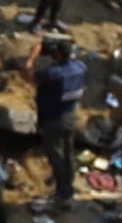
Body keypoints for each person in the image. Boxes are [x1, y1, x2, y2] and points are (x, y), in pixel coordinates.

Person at [33, 35, 88, 213]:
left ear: (57, 53)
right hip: (70, 116)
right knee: (68, 154)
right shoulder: (80, 68)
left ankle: (63, 195)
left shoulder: (53, 74)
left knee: (56, 157)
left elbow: (29, 74)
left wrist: (33, 55)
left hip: (53, 119)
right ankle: (68, 188)